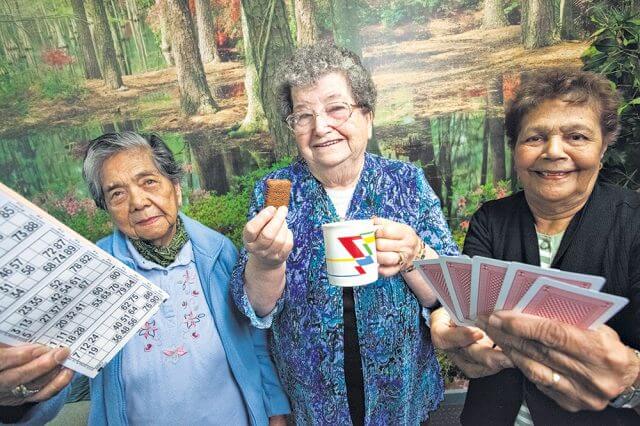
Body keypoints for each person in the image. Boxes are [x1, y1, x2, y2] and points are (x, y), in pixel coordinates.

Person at [229, 42, 459, 425]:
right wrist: (265, 262)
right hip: (312, 399)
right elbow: (256, 307)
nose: (320, 127)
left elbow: (451, 290)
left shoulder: (405, 182)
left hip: (400, 394)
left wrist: (415, 254)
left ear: (367, 117)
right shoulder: (276, 191)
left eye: (337, 108)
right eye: (304, 116)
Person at [0, 132, 290, 425]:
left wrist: (275, 410)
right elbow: (57, 375)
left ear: (175, 188)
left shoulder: (219, 252)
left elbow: (254, 340)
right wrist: (20, 395)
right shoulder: (91, 273)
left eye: (148, 181)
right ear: (107, 210)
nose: (138, 202)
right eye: (117, 194)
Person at [430, 69, 640, 425]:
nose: (554, 152)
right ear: (516, 150)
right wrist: (455, 331)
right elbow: (469, 313)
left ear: (603, 146)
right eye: (535, 138)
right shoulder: (491, 219)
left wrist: (630, 379)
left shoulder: (633, 223)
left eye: (576, 136)